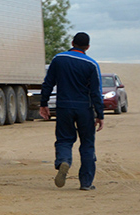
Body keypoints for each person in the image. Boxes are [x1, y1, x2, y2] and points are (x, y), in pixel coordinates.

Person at [39, 32, 104, 190]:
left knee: (64, 139)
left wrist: (43, 104)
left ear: (72, 42)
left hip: (64, 107)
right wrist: (100, 115)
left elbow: (48, 83)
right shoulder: (92, 64)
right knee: (87, 144)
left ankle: (64, 161)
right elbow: (96, 92)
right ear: (87, 47)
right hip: (84, 108)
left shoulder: (58, 59)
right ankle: (86, 183)